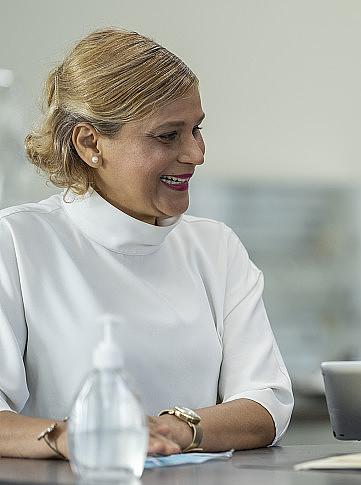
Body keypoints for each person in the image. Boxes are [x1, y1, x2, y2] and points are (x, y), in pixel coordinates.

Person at [0, 28, 293, 459]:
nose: (196, 153)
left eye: (196, 130)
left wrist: (174, 429)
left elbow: (267, 402)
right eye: (168, 135)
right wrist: (74, 437)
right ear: (90, 143)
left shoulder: (215, 247)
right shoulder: (18, 243)